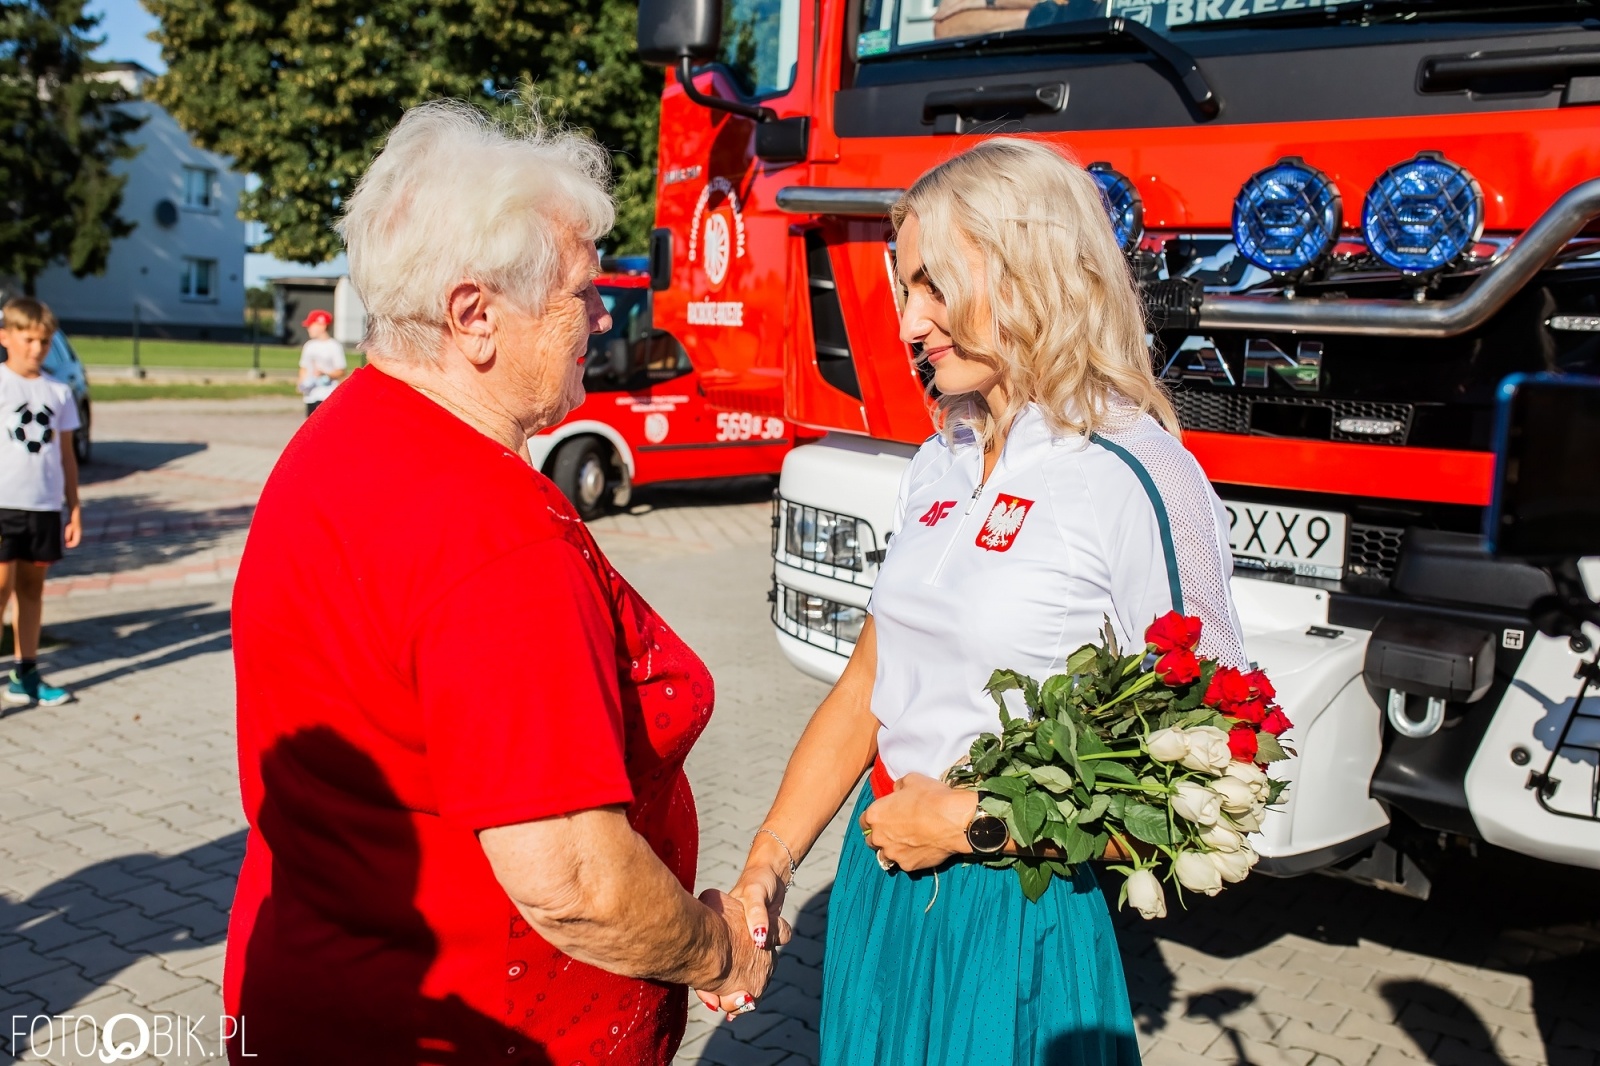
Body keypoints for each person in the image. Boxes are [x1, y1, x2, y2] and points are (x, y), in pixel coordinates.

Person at [225, 101, 780, 1065]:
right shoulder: (489, 527)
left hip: (323, 989)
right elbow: (572, 879)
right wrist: (717, 954)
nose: (602, 316)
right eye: (580, 292)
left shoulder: (345, 433)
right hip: (481, 1025)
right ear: (474, 317)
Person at [724, 139, 1248, 1064]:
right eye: (906, 291)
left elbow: (1209, 782)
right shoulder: (941, 456)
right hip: (878, 882)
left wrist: (971, 821)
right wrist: (767, 864)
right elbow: (870, 685)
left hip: (1016, 914)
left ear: (1026, 266)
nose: (909, 323)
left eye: (933, 286)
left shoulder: (1135, 471)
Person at [0, 298, 81, 708]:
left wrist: (74, 505)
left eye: (45, 341)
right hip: (3, 506)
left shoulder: (58, 391)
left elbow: (66, 453)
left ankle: (25, 674)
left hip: (44, 507)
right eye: (28, 338)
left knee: (32, 589)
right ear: (5, 336)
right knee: (0, 587)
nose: (36, 348)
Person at [296, 308, 347, 415]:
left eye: (311, 325)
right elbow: (304, 367)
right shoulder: (309, 346)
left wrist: (326, 374)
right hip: (311, 394)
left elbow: (341, 371)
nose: (308, 328)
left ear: (322, 325)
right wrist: (301, 383)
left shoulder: (334, 346)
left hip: (326, 394)